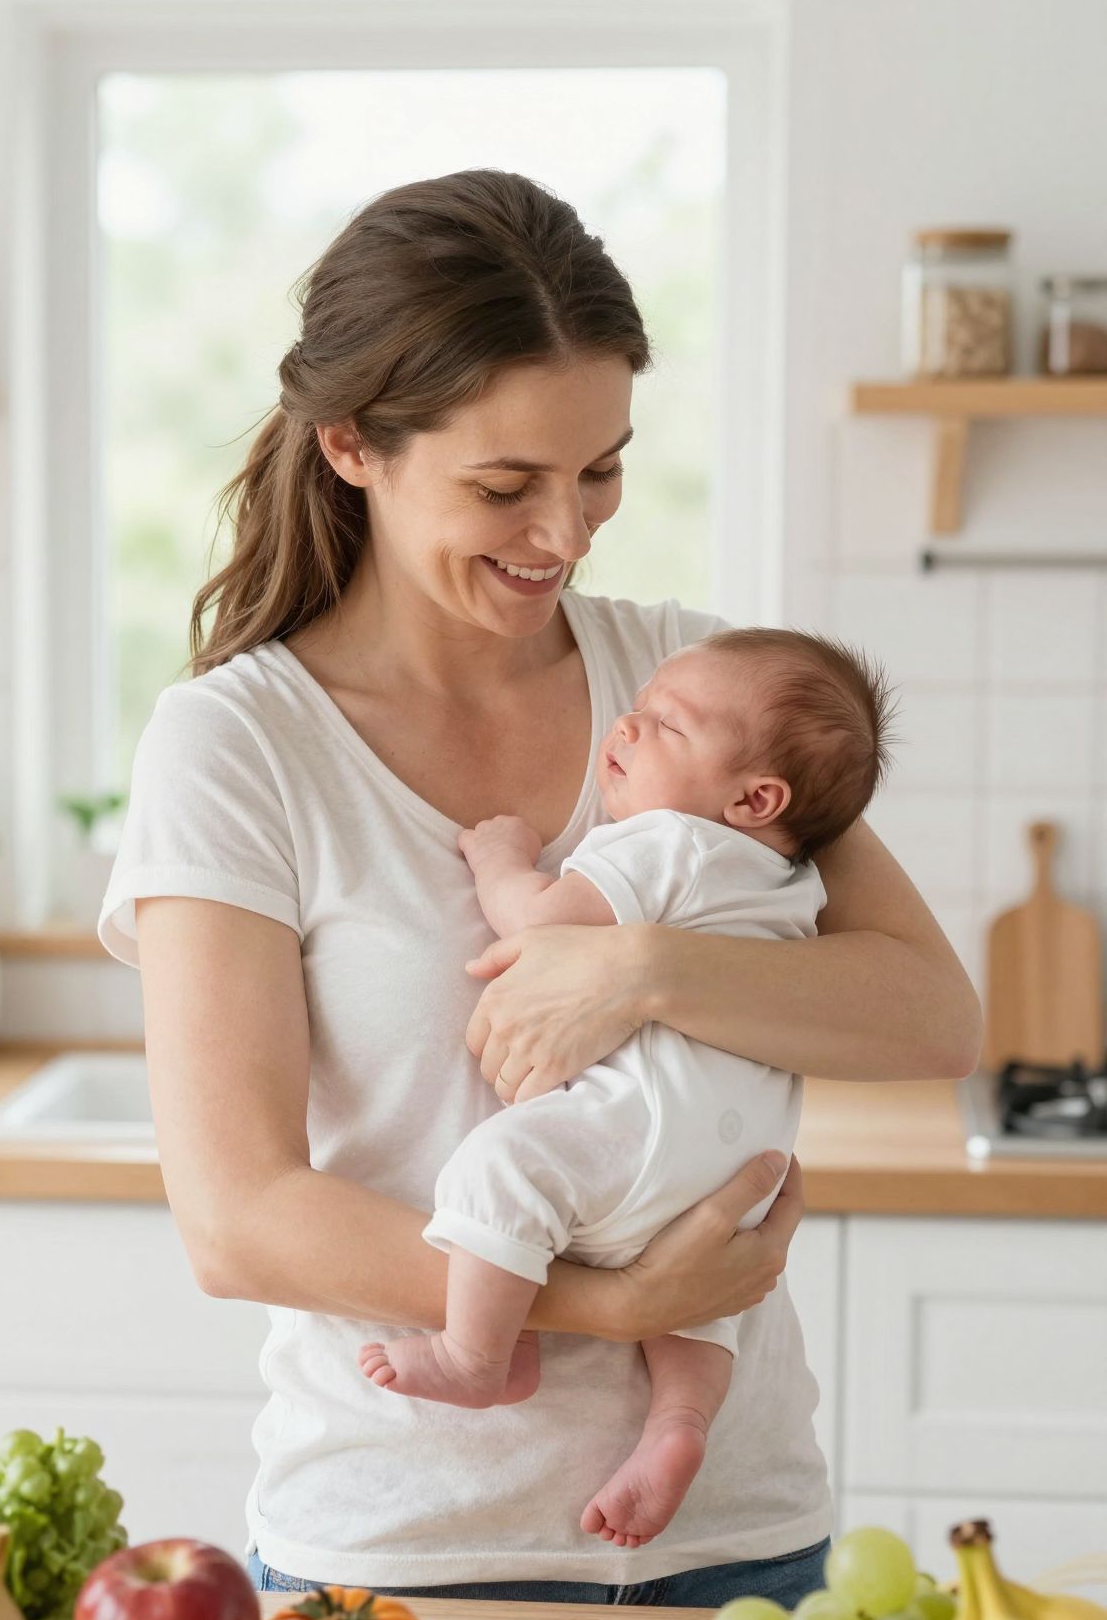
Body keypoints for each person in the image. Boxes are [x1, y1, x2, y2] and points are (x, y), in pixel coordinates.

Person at [98, 169, 980, 1611]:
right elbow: (238, 1215)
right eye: (506, 486)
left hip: (735, 1539)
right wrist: (614, 1305)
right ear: (352, 445)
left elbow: (932, 1017)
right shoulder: (239, 743)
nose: (566, 535)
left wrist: (639, 969)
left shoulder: (691, 689)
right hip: (404, 1556)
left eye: (601, 471)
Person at [359, 628, 893, 1553]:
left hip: (634, 1139)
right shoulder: (794, 887)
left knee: (501, 1168)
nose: (629, 727)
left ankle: (478, 1354)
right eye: (639, 708)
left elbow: (542, 923)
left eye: (667, 726)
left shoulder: (670, 844)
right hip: (738, 1169)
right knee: (706, 1300)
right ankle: (678, 1420)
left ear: (753, 799)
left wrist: (499, 859)